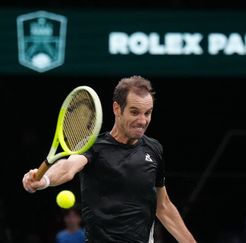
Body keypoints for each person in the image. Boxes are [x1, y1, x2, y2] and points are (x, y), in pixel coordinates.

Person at [22, 76, 197, 243]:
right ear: (117, 109)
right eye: (135, 112)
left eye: (148, 113)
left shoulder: (154, 149)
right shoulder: (93, 147)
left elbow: (163, 206)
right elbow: (67, 167)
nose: (143, 120)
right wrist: (44, 179)